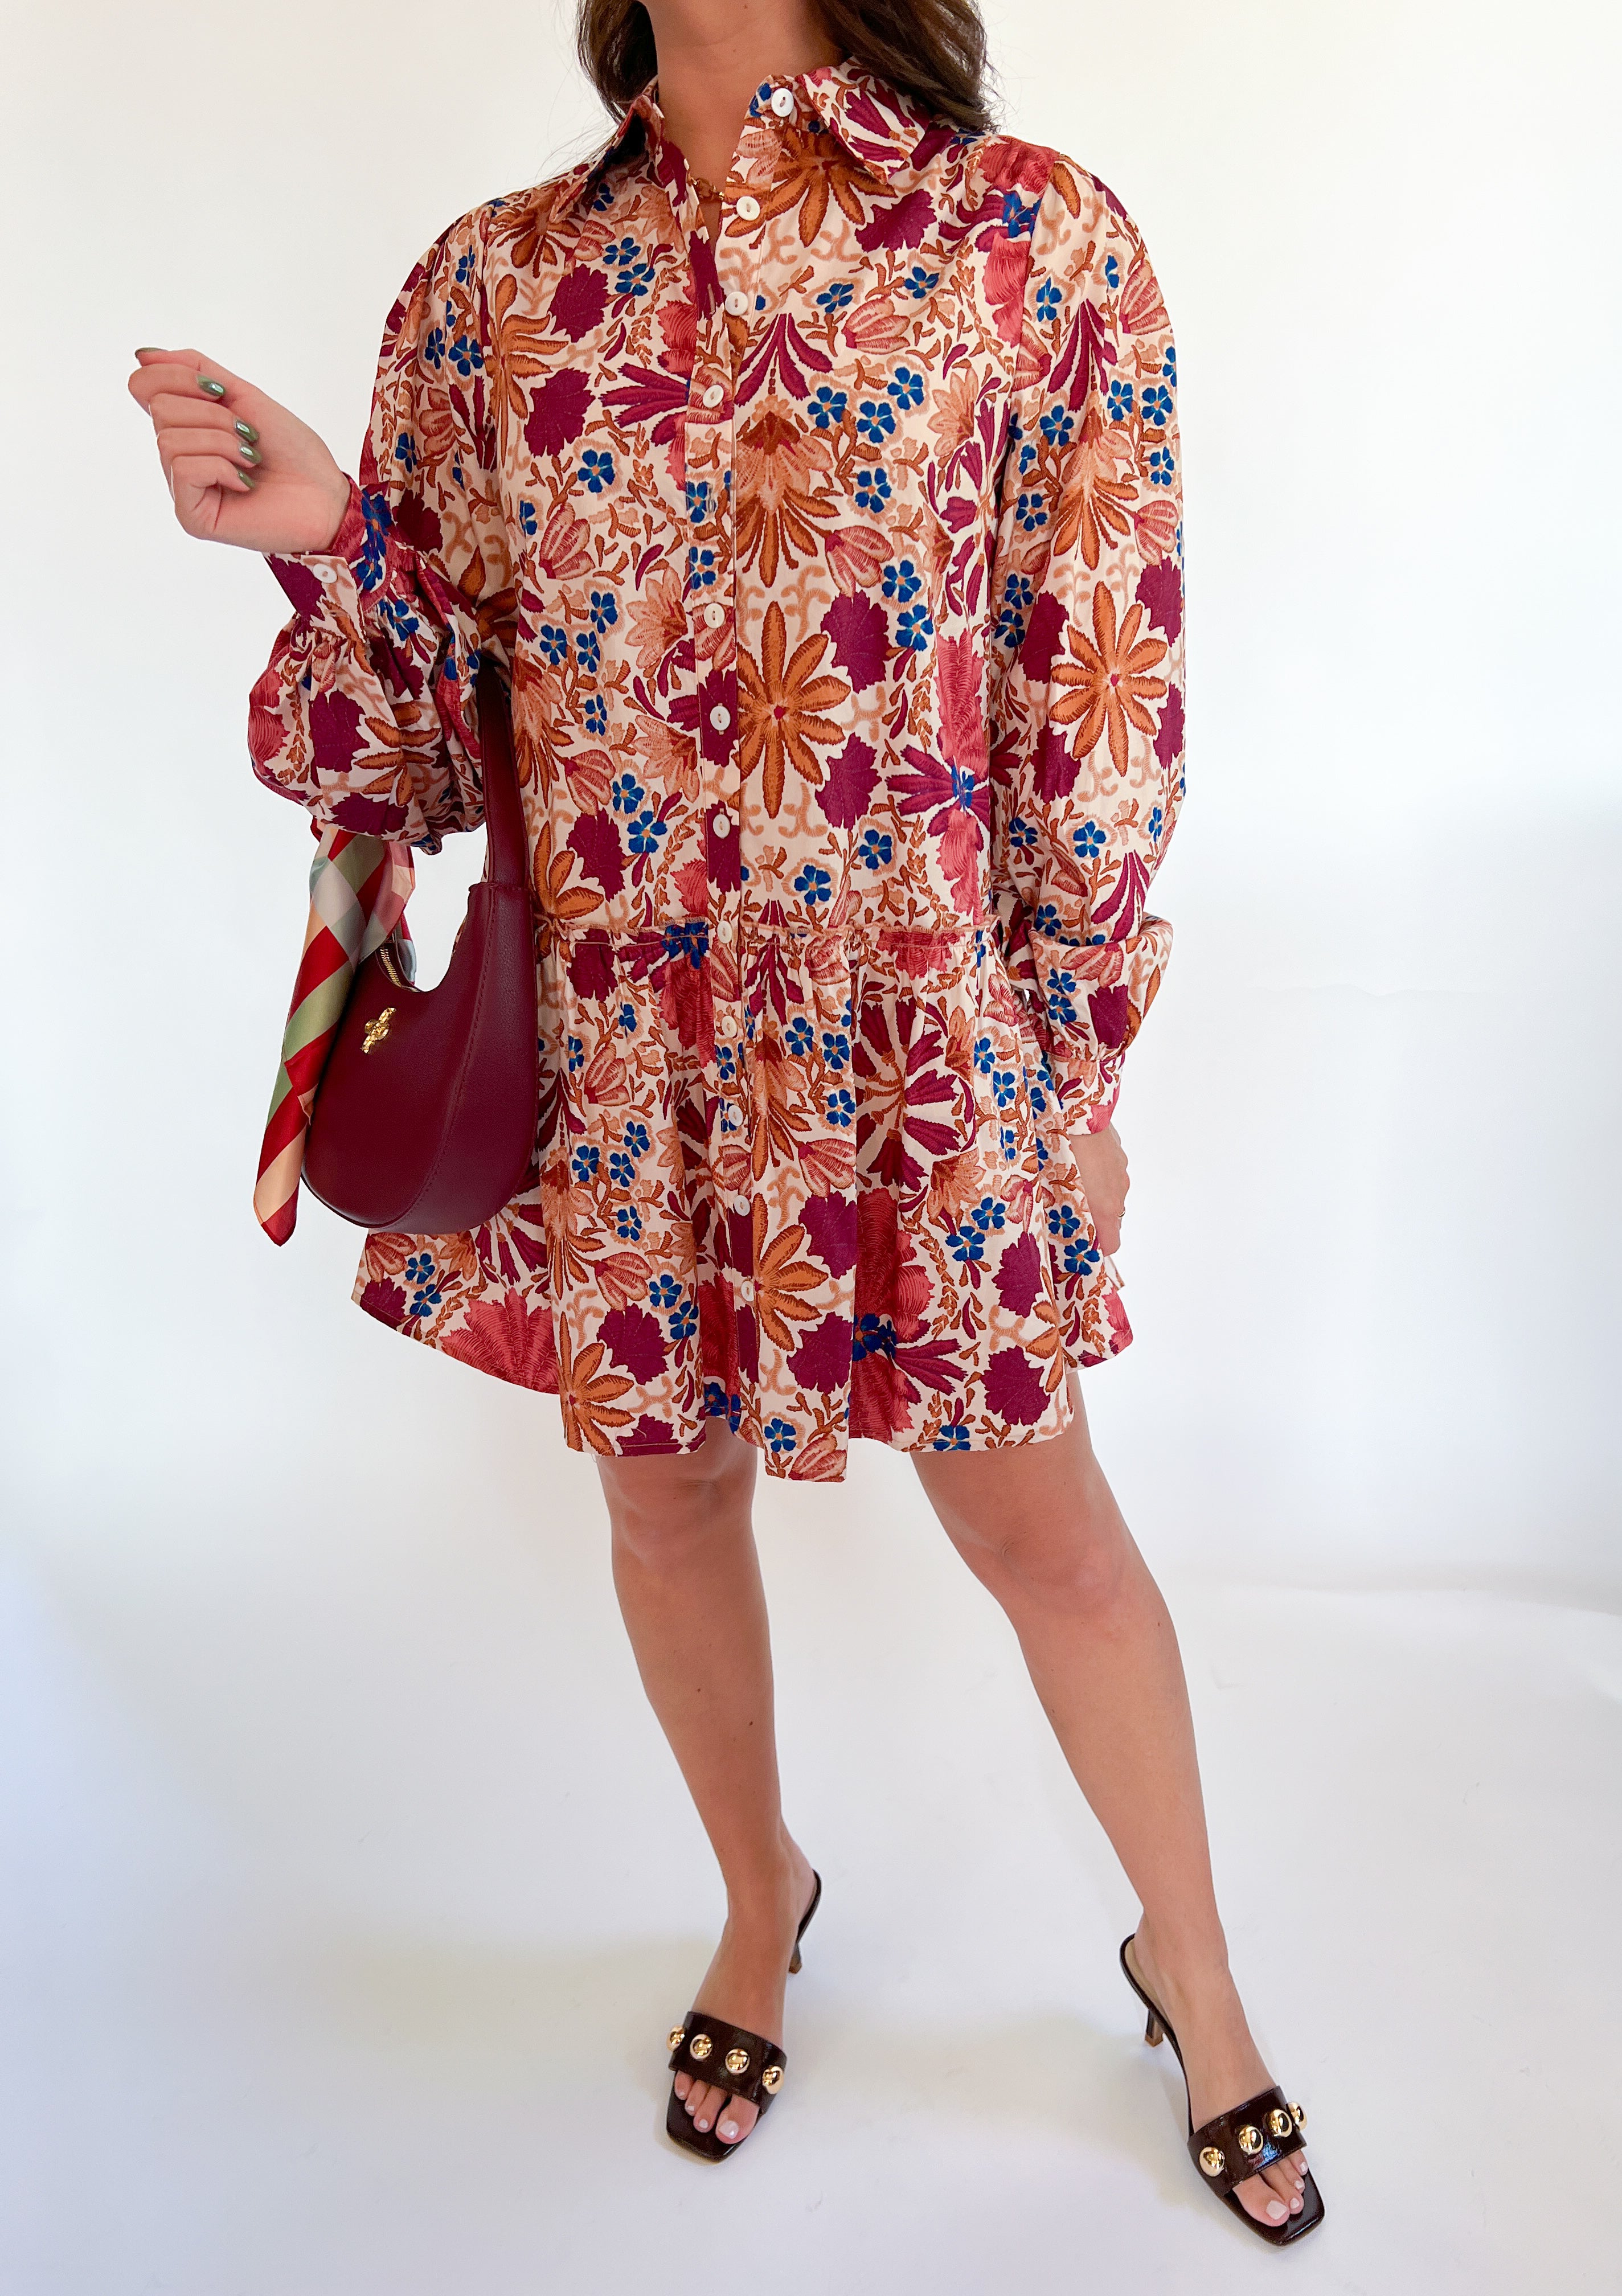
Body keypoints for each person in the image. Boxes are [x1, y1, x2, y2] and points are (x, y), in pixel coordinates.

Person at [127, 0, 1321, 2242]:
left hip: (927, 1053)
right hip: (629, 1056)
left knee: (1045, 1534)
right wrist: (327, 538)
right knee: (667, 1503)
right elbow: (424, 752)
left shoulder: (1034, 244)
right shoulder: (497, 284)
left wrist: (1075, 1071)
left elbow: (1102, 698)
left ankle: (1201, 1972)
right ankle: (762, 1901)